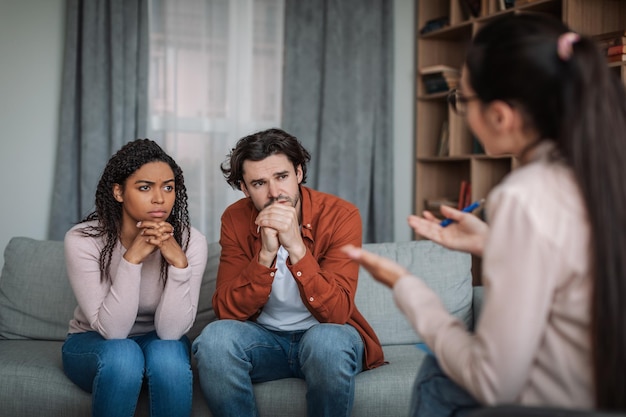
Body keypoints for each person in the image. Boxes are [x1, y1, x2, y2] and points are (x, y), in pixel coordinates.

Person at [343, 13, 626, 416]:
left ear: (500, 115)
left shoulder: (524, 195)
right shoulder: (603, 174)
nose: (464, 111)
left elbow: (492, 382)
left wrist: (408, 288)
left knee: (439, 373)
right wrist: (492, 243)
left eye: (464, 99)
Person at [192, 128, 385, 417]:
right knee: (214, 339)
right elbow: (227, 312)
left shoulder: (340, 215)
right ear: (245, 189)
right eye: (259, 183)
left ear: (298, 172)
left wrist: (297, 248)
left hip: (323, 337)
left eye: (281, 177)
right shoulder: (235, 218)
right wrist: (265, 255)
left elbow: (337, 314)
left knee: (327, 341)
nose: (274, 193)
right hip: (264, 342)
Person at [62, 139, 208, 417]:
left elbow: (171, 333)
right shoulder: (82, 239)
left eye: (168, 187)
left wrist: (178, 264)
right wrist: (132, 259)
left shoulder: (191, 241)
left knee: (168, 356)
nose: (160, 198)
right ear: (118, 192)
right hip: (94, 343)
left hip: (158, 341)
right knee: (123, 353)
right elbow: (113, 332)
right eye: (145, 187)